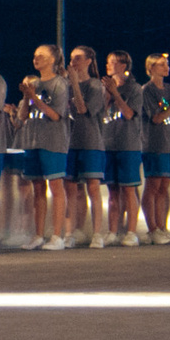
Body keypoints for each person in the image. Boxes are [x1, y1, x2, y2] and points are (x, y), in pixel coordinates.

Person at [17, 44, 70, 251]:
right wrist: (26, 96)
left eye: (41, 55)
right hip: (32, 140)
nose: (36, 58)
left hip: (53, 141)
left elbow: (56, 115)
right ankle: (38, 234)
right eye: (34, 55)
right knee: (37, 187)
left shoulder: (60, 83)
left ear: (53, 60)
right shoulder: (34, 83)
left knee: (56, 187)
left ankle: (57, 235)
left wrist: (34, 96)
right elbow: (22, 117)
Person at [133, 52, 170, 246]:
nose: (166, 67)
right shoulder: (147, 90)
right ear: (150, 68)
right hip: (154, 142)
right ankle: (151, 229)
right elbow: (156, 118)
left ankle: (162, 227)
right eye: (161, 64)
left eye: (167, 64)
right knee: (153, 185)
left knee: (164, 186)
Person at [63, 46, 107, 249]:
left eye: (78, 58)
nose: (74, 62)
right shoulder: (65, 85)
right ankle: (70, 232)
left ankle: (98, 232)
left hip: (90, 142)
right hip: (69, 142)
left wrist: (74, 82)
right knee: (70, 190)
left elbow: (82, 109)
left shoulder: (95, 85)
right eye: (72, 58)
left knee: (93, 188)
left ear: (89, 61)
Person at [97, 51, 143, 247]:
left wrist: (116, 93)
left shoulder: (134, 88)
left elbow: (130, 113)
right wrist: (107, 93)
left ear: (124, 65)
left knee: (129, 189)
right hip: (108, 143)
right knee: (113, 191)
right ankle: (113, 230)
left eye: (114, 62)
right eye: (108, 62)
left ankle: (131, 231)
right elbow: (100, 112)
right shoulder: (103, 88)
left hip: (128, 144)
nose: (109, 66)